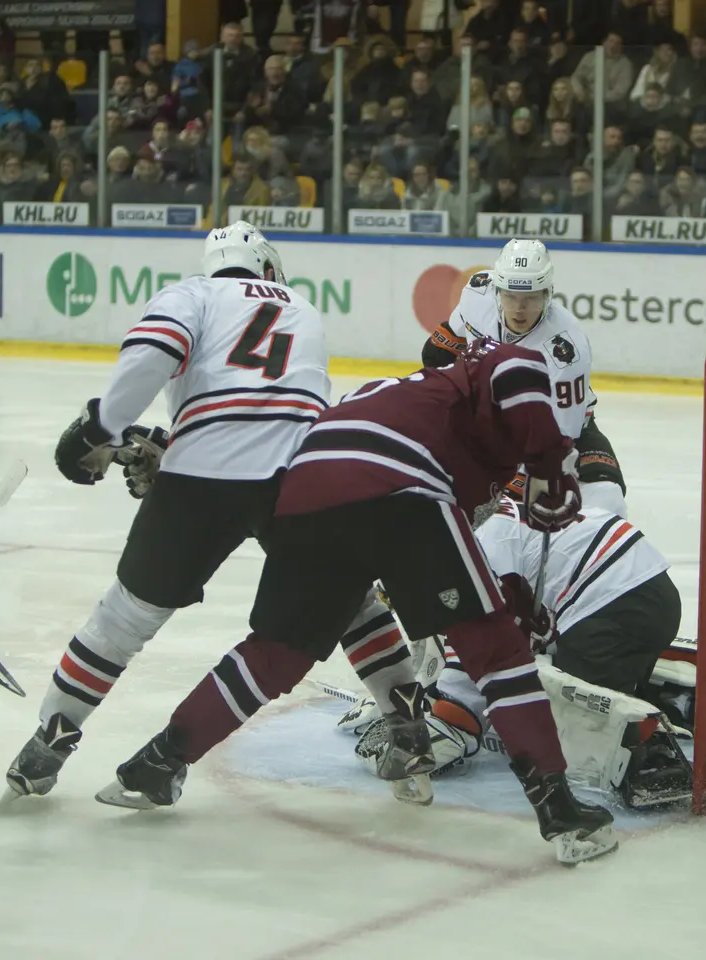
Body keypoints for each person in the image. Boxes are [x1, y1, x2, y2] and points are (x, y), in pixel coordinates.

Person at [107, 336, 619, 864]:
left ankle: (159, 761)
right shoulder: (508, 369)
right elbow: (514, 377)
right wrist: (550, 464)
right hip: (401, 489)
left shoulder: (399, 396)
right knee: (498, 652)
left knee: (275, 652)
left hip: (307, 497)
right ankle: (559, 811)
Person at [0, 224, 352, 807]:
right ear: (265, 265)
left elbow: (153, 358)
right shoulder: (305, 307)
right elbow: (274, 407)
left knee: (124, 620)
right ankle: (406, 717)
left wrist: (101, 427)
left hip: (202, 479)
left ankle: (50, 741)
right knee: (349, 599)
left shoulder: (192, 293)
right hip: (299, 478)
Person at [346, 496, 688, 809]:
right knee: (542, 673)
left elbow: (462, 713)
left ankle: (649, 753)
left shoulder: (476, 552)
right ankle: (662, 695)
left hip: (611, 606)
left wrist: (412, 736)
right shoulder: (480, 519)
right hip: (648, 592)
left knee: (570, 725)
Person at [421, 240, 627, 518]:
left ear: (547, 295)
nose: (519, 308)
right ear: (497, 291)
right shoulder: (478, 293)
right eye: (511, 296)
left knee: (607, 498)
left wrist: (520, 481)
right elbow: (438, 352)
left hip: (553, 429)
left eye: (530, 297)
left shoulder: (565, 351)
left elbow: (561, 440)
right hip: (487, 422)